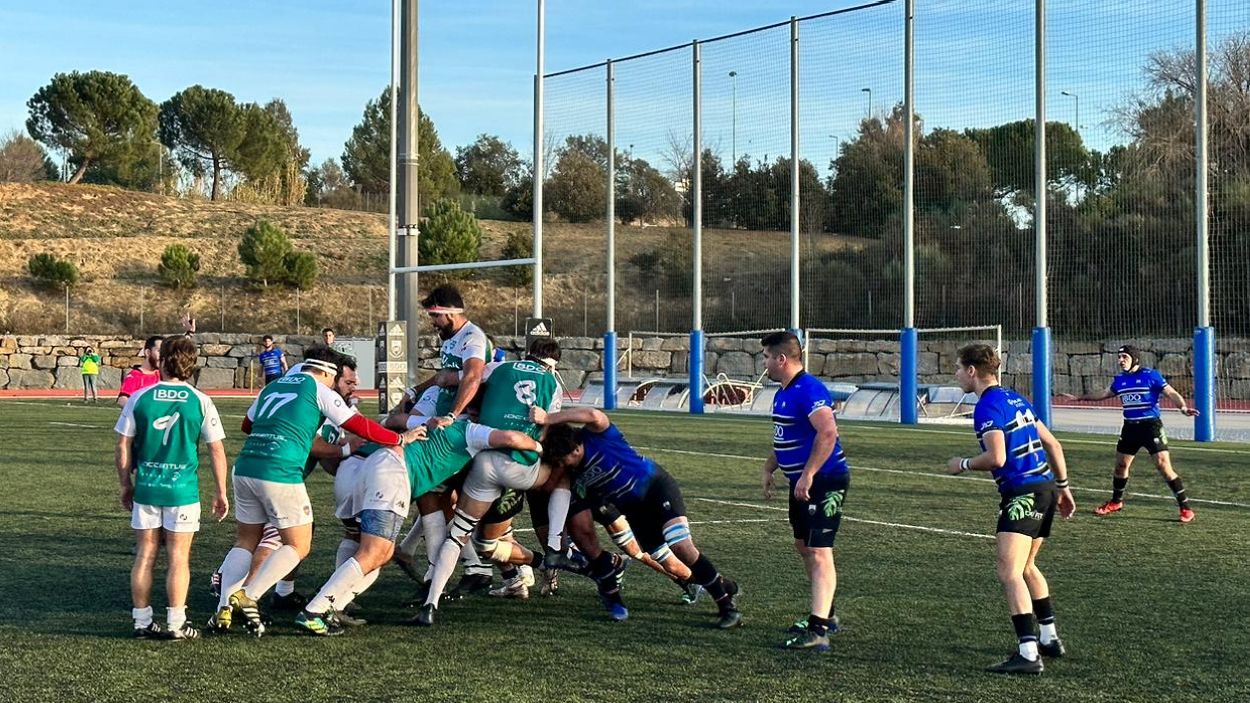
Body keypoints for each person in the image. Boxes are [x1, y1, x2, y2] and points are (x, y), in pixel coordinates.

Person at [210, 346, 420, 637]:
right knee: (298, 545)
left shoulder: (275, 385)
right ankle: (250, 594)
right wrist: (399, 437)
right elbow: (357, 424)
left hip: (245, 466)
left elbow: (248, 425)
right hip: (279, 470)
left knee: (245, 540)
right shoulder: (320, 389)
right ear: (329, 372)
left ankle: (223, 608)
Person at [295, 420, 542, 636]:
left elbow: (396, 418)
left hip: (374, 464)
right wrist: (538, 447)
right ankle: (314, 610)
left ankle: (334, 605)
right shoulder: (470, 429)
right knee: (375, 552)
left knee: (379, 554)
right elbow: (511, 438)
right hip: (393, 473)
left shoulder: (445, 422)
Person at [536, 406, 743, 630]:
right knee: (666, 562)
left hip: (656, 488)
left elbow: (593, 415)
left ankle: (727, 608)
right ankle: (722, 585)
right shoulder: (571, 470)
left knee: (681, 546)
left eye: (563, 460)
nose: (562, 466)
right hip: (634, 509)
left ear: (575, 449)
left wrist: (548, 417)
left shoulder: (599, 435)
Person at [414, 338, 568, 626]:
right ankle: (559, 556)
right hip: (522, 469)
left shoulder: (497, 367)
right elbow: (550, 426)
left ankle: (430, 604)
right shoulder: (553, 383)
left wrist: (418, 391)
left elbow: (454, 379)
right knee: (563, 480)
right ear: (553, 363)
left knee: (462, 534)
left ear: (526, 354)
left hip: (484, 461)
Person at [948, 343, 1076, 675]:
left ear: (972, 371)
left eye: (959, 368)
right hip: (1045, 487)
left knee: (1009, 572)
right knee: (1028, 566)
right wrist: (1063, 487)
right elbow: (1053, 443)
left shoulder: (987, 407)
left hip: (1023, 493)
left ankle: (1029, 653)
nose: (956, 374)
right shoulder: (1016, 399)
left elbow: (997, 458)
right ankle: (1049, 637)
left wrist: (961, 464)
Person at [115, 336, 229, 640]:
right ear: (191, 365)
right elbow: (216, 450)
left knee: (145, 553)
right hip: (183, 491)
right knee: (179, 558)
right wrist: (221, 491)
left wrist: (126, 484)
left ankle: (141, 621)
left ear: (162, 360)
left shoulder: (141, 397)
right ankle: (177, 624)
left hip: (149, 489)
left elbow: (123, 443)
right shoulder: (200, 400)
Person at [758, 331, 851, 652]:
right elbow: (787, 434)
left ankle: (818, 630)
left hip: (824, 480)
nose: (765, 363)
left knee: (819, 551)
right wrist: (771, 466)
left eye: (767, 357)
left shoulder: (809, 389)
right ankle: (828, 613)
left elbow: (827, 432)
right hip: (803, 481)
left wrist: (808, 474)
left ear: (781, 359)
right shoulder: (784, 390)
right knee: (803, 545)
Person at [1060, 344, 1199, 522]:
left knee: (1163, 466)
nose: (1120, 361)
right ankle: (1116, 502)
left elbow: (1171, 392)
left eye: (1124, 357)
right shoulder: (1120, 380)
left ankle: (1185, 508)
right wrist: (1080, 397)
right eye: (1119, 357)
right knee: (1120, 467)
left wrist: (1183, 407)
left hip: (1151, 427)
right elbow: (1103, 394)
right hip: (1130, 428)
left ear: (1135, 358)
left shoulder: (1151, 375)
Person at [117, 336, 162, 408]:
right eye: (159, 351)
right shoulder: (135, 376)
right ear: (148, 352)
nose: (163, 356)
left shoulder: (164, 375)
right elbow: (122, 400)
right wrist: (140, 410)